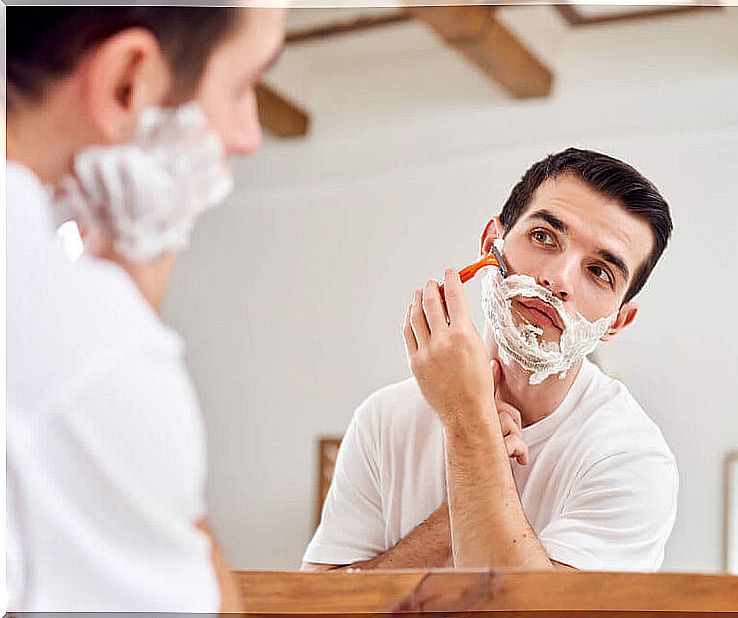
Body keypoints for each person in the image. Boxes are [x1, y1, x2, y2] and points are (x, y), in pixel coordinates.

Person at [6, 7, 286, 612]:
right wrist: (130, 313)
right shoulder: (86, 344)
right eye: (242, 87)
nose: (249, 135)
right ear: (125, 82)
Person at [302, 148, 678, 572]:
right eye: (543, 237)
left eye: (600, 272)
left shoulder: (631, 458)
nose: (558, 279)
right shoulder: (384, 418)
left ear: (617, 322)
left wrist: (467, 425)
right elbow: (321, 604)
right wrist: (458, 508)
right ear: (489, 245)